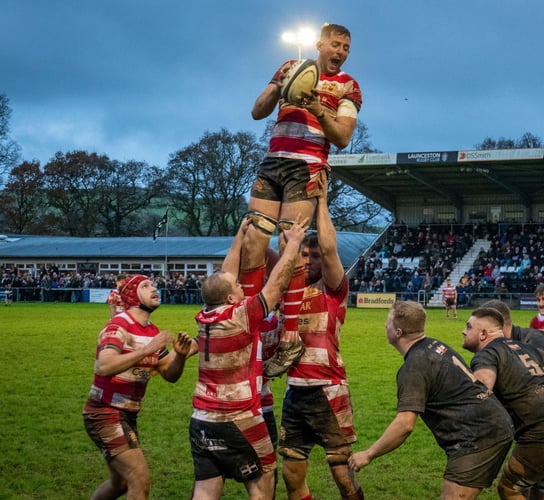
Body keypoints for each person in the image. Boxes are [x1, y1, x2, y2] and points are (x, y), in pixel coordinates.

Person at [189, 216, 308, 499]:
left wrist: (239, 237)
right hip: (240, 415)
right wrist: (292, 245)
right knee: (264, 479)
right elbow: (277, 284)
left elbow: (225, 277)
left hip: (201, 418)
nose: (242, 287)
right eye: (238, 288)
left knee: (206, 488)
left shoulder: (205, 316)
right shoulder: (241, 316)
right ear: (231, 299)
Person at [348, 301, 514, 499]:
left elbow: (405, 425)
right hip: (490, 424)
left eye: (388, 321)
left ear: (398, 332)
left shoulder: (414, 367)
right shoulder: (435, 345)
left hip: (479, 436)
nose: (385, 325)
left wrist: (368, 454)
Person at [243, 23, 362, 296]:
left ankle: (290, 324)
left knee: (290, 242)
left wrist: (319, 111)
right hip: (274, 161)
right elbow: (257, 112)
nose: (341, 52)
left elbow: (343, 137)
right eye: (336, 45)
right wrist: (279, 87)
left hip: (307, 167)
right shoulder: (289, 66)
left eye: (346, 48)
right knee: (253, 237)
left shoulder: (348, 86)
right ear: (320, 45)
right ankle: (249, 313)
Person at [278, 181, 363, 500]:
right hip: (294, 393)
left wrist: (322, 200)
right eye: (304, 254)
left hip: (328, 389)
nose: (310, 259)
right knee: (291, 473)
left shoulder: (333, 291)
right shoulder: (287, 291)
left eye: (314, 255)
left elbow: (329, 249)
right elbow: (284, 244)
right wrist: (287, 205)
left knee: (342, 474)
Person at [83, 274, 195, 500]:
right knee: (138, 476)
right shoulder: (118, 326)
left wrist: (181, 356)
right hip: (105, 412)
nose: (155, 289)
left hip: (127, 414)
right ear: (133, 296)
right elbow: (103, 366)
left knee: (121, 482)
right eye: (146, 286)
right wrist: (146, 350)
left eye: (153, 285)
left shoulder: (151, 331)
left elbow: (169, 374)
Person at [463, 307, 544, 500]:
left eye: (468, 327)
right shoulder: (525, 348)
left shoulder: (486, 355)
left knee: (509, 488)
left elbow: (483, 388)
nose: (464, 331)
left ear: (483, 334)